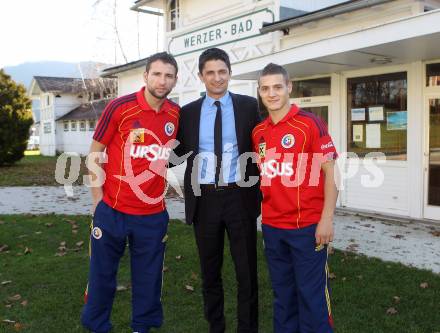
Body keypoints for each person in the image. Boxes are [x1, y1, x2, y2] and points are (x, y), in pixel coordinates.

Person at [80, 52, 179, 333]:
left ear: (175, 80)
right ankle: (97, 325)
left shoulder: (174, 113)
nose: (162, 81)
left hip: (152, 215)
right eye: (157, 74)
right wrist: (97, 201)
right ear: (146, 76)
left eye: (168, 75)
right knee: (102, 275)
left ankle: (142, 327)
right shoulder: (120, 107)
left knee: (149, 278)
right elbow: (95, 154)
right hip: (112, 210)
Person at [173, 47, 260, 333]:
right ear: (201, 76)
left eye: (222, 71)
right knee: (210, 273)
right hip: (205, 200)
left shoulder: (249, 106)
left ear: (230, 73)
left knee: (246, 273)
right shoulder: (187, 114)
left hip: (240, 197)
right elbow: (174, 154)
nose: (217, 78)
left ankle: (247, 329)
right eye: (210, 72)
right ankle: (216, 327)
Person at [252, 63, 338, 333]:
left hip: (307, 228)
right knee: (283, 297)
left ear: (289, 87)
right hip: (273, 229)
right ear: (260, 92)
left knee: (311, 298)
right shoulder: (258, 133)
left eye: (278, 86)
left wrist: (326, 220)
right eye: (265, 88)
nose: (272, 93)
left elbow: (332, 176)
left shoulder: (310, 123)